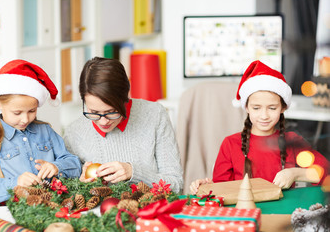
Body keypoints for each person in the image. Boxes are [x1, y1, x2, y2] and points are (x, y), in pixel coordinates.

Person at [190, 60, 329, 194]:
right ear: (246, 107)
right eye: (256, 108)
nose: (264, 116)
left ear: (283, 108)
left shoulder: (293, 141)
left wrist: (296, 173)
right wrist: (206, 187)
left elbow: (325, 171)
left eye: (272, 108)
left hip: (283, 214)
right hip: (244, 215)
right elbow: (221, 189)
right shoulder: (230, 144)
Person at [63, 57, 183, 193]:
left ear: (125, 98)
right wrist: (81, 185)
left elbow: (176, 185)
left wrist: (133, 173)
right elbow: (67, 194)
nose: (103, 121)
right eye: (94, 112)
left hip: (150, 212)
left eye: (111, 112)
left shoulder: (155, 115)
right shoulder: (74, 132)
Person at [0, 60, 82, 204]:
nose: (25, 119)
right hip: (14, 212)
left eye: (32, 111)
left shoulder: (45, 131)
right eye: (17, 113)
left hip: (54, 206)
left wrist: (57, 167)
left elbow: (75, 164)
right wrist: (16, 183)